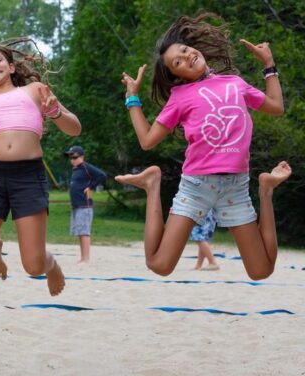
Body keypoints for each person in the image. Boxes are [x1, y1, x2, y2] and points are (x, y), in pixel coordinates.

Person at [115, 13, 291, 281]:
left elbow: (276, 107)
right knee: (159, 265)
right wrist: (132, 98)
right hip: (196, 186)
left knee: (261, 271)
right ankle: (152, 184)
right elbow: (147, 140)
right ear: (177, 75)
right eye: (178, 62)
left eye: (185, 50)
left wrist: (269, 64)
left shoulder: (235, 83)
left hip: (236, 186)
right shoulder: (180, 96)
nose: (187, 57)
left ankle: (265, 189)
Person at [0, 39, 81, 296]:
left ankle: (52, 264)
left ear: (11, 67)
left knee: (34, 266)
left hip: (28, 177)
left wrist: (56, 112)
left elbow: (74, 128)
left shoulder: (35, 90)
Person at [65, 145, 107, 264]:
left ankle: (86, 259)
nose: (72, 159)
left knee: (84, 232)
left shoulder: (85, 167)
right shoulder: (76, 169)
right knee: (79, 232)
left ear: (82, 157)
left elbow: (102, 175)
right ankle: (82, 258)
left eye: (75, 157)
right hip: (76, 205)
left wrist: (91, 187)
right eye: (70, 157)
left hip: (85, 205)